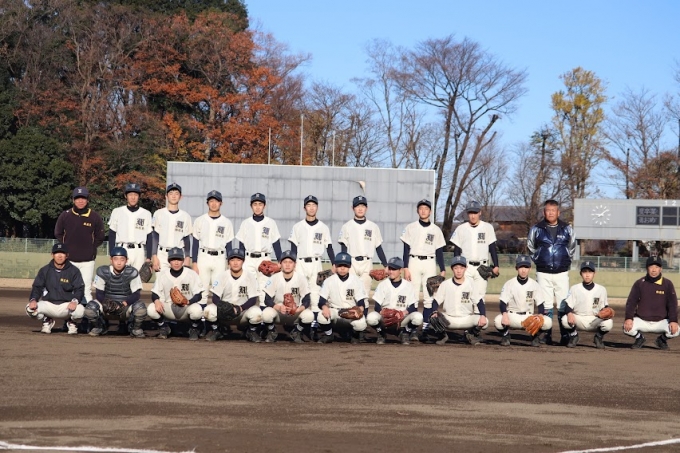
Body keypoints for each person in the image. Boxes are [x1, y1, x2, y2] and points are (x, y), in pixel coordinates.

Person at [527, 199, 576, 345]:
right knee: (546, 304)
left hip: (561, 272)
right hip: (543, 272)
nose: (550, 213)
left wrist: (565, 261)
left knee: (563, 304)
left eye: (553, 210)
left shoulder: (567, 228)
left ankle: (564, 335)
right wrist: (538, 259)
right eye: (548, 210)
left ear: (558, 212)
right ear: (544, 212)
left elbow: (572, 247)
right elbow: (530, 246)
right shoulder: (536, 229)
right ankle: (546, 334)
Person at [400, 198, 446, 340]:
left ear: (430, 211)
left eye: (426, 208)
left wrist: (442, 269)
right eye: (421, 208)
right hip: (413, 261)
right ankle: (413, 329)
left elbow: (439, 251)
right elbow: (405, 249)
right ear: (417, 211)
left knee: (429, 297)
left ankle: (426, 328)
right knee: (412, 296)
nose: (423, 211)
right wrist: (405, 267)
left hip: (429, 262)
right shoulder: (411, 227)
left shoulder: (436, 230)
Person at [54, 186, 105, 303]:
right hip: (69, 260)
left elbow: (100, 236)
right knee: (68, 288)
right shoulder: (65, 215)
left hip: (88, 261)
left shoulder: (94, 216)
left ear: (87, 200)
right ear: (73, 200)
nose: (80, 201)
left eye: (83, 198)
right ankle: (68, 313)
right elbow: (58, 233)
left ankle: (86, 312)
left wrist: (91, 248)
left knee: (86, 289)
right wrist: (66, 247)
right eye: (77, 198)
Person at [288, 195, 336, 312]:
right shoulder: (297, 227)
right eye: (308, 205)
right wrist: (293, 263)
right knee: (299, 292)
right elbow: (293, 247)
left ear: (317, 207)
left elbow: (329, 247)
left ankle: (314, 319)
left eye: (313, 205)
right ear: (304, 208)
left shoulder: (323, 227)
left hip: (316, 263)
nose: (311, 208)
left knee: (315, 293)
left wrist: (334, 264)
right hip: (300, 263)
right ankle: (299, 319)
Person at [203, 248, 262, 343]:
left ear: (243, 261)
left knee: (257, 312)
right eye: (232, 260)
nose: (235, 263)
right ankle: (216, 330)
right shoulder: (222, 276)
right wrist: (224, 306)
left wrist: (240, 308)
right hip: (224, 312)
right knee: (208, 310)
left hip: (242, 313)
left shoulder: (250, 277)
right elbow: (215, 297)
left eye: (238, 260)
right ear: (228, 262)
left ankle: (251, 331)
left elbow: (253, 299)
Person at [85, 247, 146, 338]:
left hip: (125, 306)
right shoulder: (102, 272)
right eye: (116, 259)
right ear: (111, 260)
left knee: (140, 308)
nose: (119, 262)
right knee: (90, 307)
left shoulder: (132, 272)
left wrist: (124, 303)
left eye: (122, 259)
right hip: (108, 305)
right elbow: (99, 293)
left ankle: (134, 328)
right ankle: (100, 326)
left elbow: (136, 294)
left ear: (126, 260)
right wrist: (106, 303)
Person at [25, 243, 85, 334]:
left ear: (67, 255)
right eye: (57, 253)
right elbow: (37, 287)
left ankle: (71, 322)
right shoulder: (44, 270)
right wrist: (33, 299)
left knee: (80, 310)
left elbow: (79, 288)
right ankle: (47, 320)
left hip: (67, 306)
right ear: (52, 255)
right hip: (48, 304)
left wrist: (75, 301)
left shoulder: (74, 271)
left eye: (62, 253)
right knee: (29, 308)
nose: (60, 256)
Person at [494, 255, 552, 347]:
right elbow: (502, 303)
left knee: (548, 322)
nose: (523, 270)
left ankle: (534, 335)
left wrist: (540, 315)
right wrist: (504, 315)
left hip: (528, 317)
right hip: (512, 316)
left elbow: (540, 304)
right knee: (498, 320)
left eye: (526, 267)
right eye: (521, 267)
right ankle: (506, 335)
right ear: (516, 268)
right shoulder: (509, 284)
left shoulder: (534, 285)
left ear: (530, 268)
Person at [147, 247, 204, 340]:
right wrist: (156, 301)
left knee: (197, 310)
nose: (176, 262)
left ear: (183, 261)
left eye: (179, 259)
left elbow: (199, 295)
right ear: (169, 261)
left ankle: (193, 329)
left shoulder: (191, 274)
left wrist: (188, 302)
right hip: (168, 308)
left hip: (186, 308)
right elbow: (154, 293)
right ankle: (164, 327)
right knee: (151, 308)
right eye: (173, 259)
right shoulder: (162, 274)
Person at [430, 256, 488, 346]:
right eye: (456, 268)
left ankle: (471, 334)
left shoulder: (471, 283)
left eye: (461, 268)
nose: (459, 271)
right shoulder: (445, 284)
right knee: (433, 318)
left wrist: (483, 315)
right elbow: (436, 301)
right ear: (452, 269)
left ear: (466, 268)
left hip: (466, 319)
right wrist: (434, 312)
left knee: (485, 321)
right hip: (449, 319)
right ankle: (442, 336)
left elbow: (479, 301)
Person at [624, 255, 679, 350]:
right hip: (642, 320)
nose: (654, 270)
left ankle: (661, 340)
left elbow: (672, 304)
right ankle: (639, 338)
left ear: (661, 269)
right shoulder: (639, 283)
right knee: (626, 328)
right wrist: (628, 318)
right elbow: (631, 302)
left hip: (661, 321)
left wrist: (673, 320)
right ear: (647, 268)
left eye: (657, 267)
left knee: (676, 330)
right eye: (651, 267)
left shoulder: (667, 284)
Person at [235, 193, 282, 302]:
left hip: (265, 259)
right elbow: (241, 245)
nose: (257, 207)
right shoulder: (245, 223)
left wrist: (280, 261)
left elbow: (276, 244)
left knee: (264, 290)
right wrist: (241, 261)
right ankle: (245, 311)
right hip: (249, 259)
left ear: (264, 206)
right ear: (251, 206)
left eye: (260, 204)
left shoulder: (270, 223)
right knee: (246, 289)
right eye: (255, 204)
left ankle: (263, 310)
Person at [338, 195, 388, 297]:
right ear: (352, 208)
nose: (360, 209)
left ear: (366, 208)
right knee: (350, 295)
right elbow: (344, 249)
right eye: (357, 206)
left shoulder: (373, 227)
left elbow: (378, 248)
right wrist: (343, 265)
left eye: (362, 206)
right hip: (352, 263)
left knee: (364, 295)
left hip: (367, 263)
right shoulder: (347, 226)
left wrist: (386, 265)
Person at [450, 200, 499, 301]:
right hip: (466, 267)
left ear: (480, 212)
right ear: (467, 213)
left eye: (475, 213)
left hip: (482, 267)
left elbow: (492, 248)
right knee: (465, 297)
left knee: (480, 298)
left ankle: (479, 312)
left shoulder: (487, 227)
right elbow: (457, 250)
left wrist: (496, 265)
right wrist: (457, 267)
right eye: (470, 213)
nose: (473, 216)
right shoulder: (461, 229)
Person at [191, 190, 234, 306]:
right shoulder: (200, 220)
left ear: (221, 203)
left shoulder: (226, 222)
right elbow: (195, 243)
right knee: (202, 289)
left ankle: (217, 315)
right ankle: (200, 314)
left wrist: (230, 263)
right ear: (207, 203)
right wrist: (194, 262)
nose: (214, 204)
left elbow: (229, 245)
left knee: (219, 289)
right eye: (211, 201)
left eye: (217, 201)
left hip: (220, 257)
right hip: (203, 256)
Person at [366, 257, 422, 345]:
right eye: (390, 269)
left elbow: (413, 307)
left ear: (400, 270)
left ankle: (405, 333)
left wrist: (402, 313)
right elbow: (377, 305)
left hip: (402, 319)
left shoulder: (408, 286)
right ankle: (381, 333)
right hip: (385, 319)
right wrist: (382, 312)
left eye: (394, 269)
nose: (391, 271)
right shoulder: (383, 285)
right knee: (371, 318)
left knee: (418, 317)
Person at [260, 250, 312, 343]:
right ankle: (272, 331)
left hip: (295, 312)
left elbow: (307, 300)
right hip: (279, 312)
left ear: (295, 264)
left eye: (290, 262)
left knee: (309, 315)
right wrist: (278, 308)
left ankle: (296, 331)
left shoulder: (301, 278)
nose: (287, 265)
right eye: (285, 262)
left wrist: (298, 309)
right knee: (266, 314)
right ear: (280, 264)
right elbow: (267, 300)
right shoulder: (274, 278)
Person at [316, 252, 368, 344]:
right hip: (335, 311)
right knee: (321, 316)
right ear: (335, 266)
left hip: (350, 311)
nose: (342, 268)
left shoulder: (356, 281)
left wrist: (359, 310)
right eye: (340, 265)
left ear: (349, 266)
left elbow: (361, 302)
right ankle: (329, 335)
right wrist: (324, 307)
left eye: (345, 265)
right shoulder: (329, 281)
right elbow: (321, 301)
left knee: (361, 324)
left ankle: (354, 336)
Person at [559, 261, 613, 349]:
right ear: (581, 274)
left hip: (594, 319)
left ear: (594, 273)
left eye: (590, 272)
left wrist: (607, 310)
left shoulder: (601, 289)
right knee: (565, 319)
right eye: (584, 272)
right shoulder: (575, 288)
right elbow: (568, 305)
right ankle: (574, 335)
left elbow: (605, 306)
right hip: (579, 318)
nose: (587, 275)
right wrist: (569, 313)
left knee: (608, 323)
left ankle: (598, 337)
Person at [108, 183, 153, 271]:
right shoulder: (117, 211)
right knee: (121, 277)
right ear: (126, 196)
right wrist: (112, 254)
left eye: (135, 195)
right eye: (130, 194)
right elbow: (112, 234)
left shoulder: (146, 214)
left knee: (138, 278)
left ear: (139, 196)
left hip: (139, 251)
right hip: (122, 249)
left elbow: (149, 237)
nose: (133, 197)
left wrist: (148, 257)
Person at [151, 183, 192, 271]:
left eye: (176, 193)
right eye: (171, 193)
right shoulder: (158, 213)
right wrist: (154, 256)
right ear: (166, 196)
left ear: (181, 197)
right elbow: (155, 236)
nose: (173, 196)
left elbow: (186, 239)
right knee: (162, 279)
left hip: (179, 255)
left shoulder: (185, 216)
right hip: (162, 254)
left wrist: (187, 257)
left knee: (179, 279)